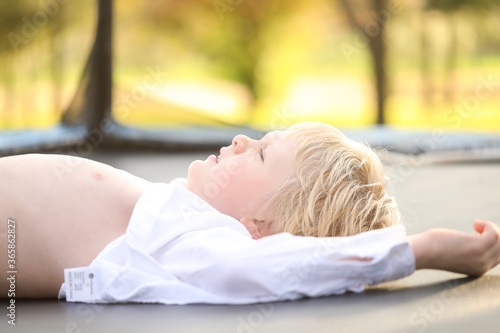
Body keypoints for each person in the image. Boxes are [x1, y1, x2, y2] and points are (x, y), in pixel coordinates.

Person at [0, 122, 499, 303]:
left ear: (261, 227)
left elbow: (259, 269)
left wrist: (419, 250)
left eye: (260, 153)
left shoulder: (204, 243)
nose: (241, 140)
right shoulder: (183, 212)